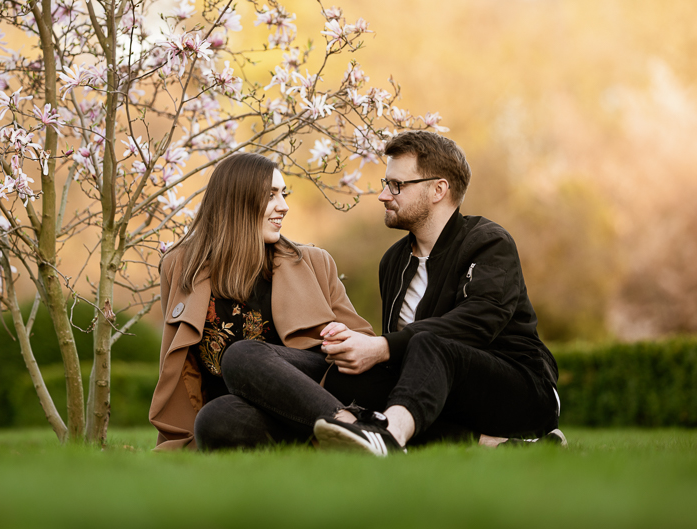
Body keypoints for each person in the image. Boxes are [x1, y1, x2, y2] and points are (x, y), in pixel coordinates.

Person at [221, 131, 563, 456]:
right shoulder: (394, 262)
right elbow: (399, 365)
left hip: (519, 391)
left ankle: (386, 438)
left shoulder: (488, 242)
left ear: (438, 190)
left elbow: (478, 322)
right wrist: (349, 345)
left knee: (429, 342)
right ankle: (460, 440)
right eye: (387, 184)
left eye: (397, 185)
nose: (384, 195)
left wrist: (381, 347)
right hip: (431, 397)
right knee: (239, 376)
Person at [148, 152, 374, 451]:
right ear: (237, 201)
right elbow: (179, 363)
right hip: (251, 411)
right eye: (271, 195)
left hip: (318, 395)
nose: (284, 206)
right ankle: (320, 444)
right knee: (214, 419)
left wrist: (345, 341)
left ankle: (351, 428)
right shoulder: (178, 266)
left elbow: (364, 348)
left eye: (283, 194)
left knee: (243, 356)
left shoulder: (316, 262)